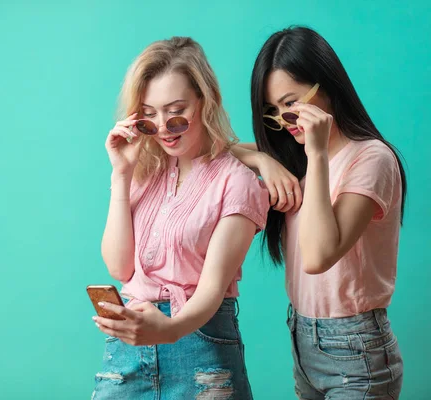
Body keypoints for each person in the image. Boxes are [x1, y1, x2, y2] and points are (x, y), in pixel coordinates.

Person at [91, 36, 269, 399]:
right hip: (128, 348)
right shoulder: (143, 171)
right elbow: (119, 268)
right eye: (149, 115)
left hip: (198, 345)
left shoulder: (237, 182)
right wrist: (121, 175)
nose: (162, 127)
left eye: (176, 112)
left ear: (204, 101)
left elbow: (212, 290)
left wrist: (169, 329)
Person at [235, 26, 407, 399]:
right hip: (303, 338)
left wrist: (317, 155)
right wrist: (264, 159)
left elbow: (318, 256)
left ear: (325, 85)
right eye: (274, 111)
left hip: (357, 349)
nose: (285, 120)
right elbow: (215, 148)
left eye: (292, 103)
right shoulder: (295, 160)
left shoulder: (371, 158)